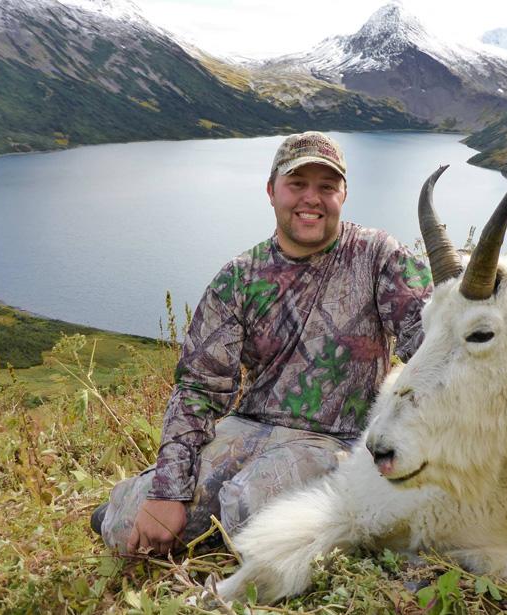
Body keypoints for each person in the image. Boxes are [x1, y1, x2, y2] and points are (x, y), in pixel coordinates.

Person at [92, 131, 433, 556]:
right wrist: (169, 490)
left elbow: (432, 343)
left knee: (249, 508)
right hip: (249, 425)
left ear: (343, 193)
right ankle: (148, 506)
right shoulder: (239, 277)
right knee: (128, 527)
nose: (312, 198)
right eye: (297, 184)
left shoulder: (378, 256)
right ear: (271, 191)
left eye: (326, 187)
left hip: (339, 439)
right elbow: (198, 387)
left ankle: (226, 533)